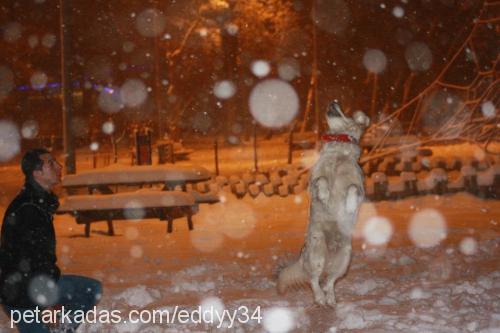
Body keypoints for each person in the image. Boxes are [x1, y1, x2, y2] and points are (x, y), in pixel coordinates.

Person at [0, 148, 102, 332]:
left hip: (33, 284)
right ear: (37, 173)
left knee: (91, 289)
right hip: (21, 295)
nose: (59, 166)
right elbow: (28, 260)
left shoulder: (38, 202)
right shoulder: (29, 209)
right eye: (51, 163)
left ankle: (62, 330)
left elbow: (41, 258)